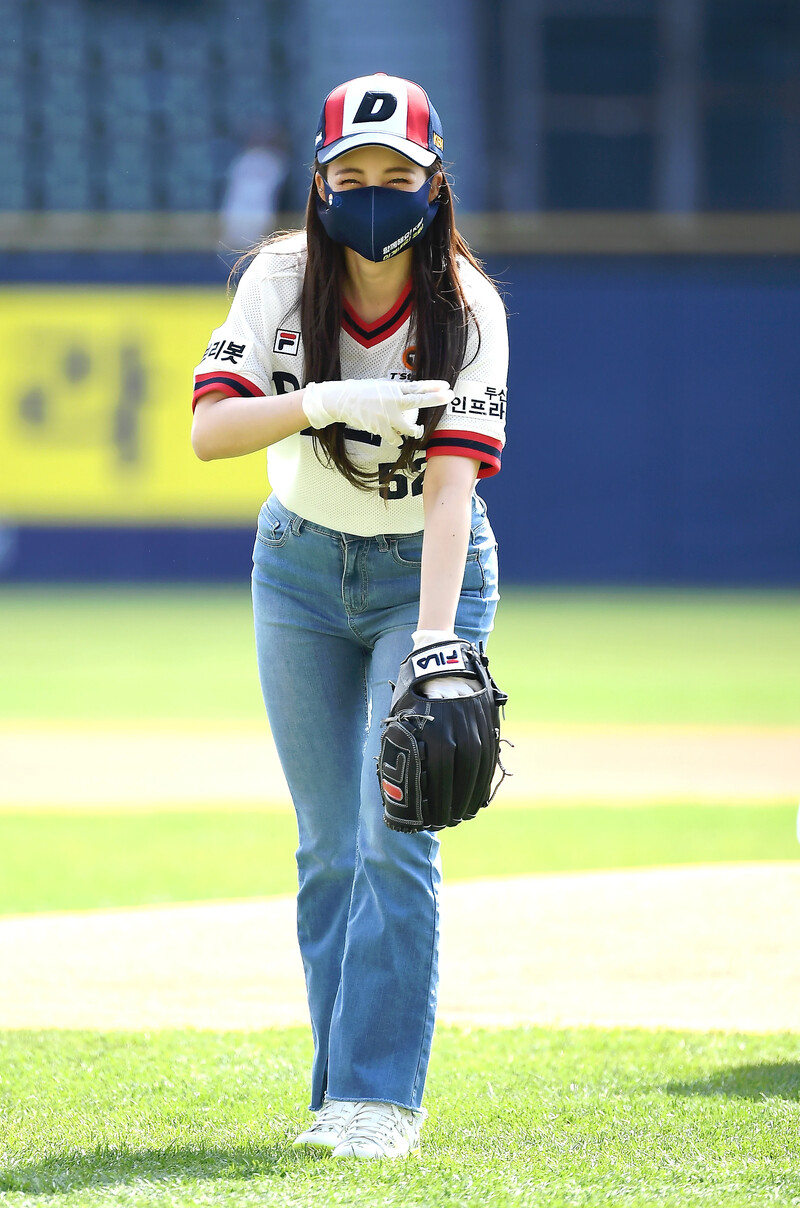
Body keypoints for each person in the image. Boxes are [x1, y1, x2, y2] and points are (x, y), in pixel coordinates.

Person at [191, 72, 508, 1160]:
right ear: (319, 182)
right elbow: (210, 433)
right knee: (328, 847)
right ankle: (337, 1090)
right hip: (295, 570)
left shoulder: (466, 305)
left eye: (397, 175)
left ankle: (380, 1098)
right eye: (352, 173)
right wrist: (320, 400)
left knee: (396, 833)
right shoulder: (279, 278)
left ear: (433, 184)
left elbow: (454, 486)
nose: (374, 192)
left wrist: (433, 642)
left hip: (425, 572)